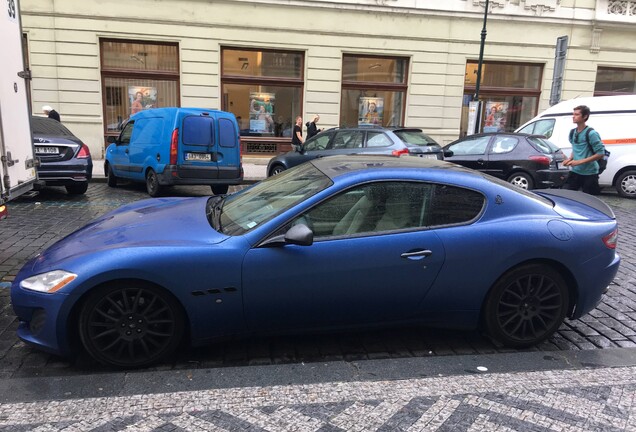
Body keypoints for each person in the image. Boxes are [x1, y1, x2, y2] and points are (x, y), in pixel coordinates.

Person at [562, 105, 605, 195]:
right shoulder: (572, 132)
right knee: (566, 196)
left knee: (589, 201)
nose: (573, 116)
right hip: (575, 171)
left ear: (585, 116)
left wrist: (579, 162)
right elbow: (576, 148)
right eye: (573, 114)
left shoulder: (591, 133)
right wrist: (570, 159)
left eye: (577, 114)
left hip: (590, 173)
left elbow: (600, 153)